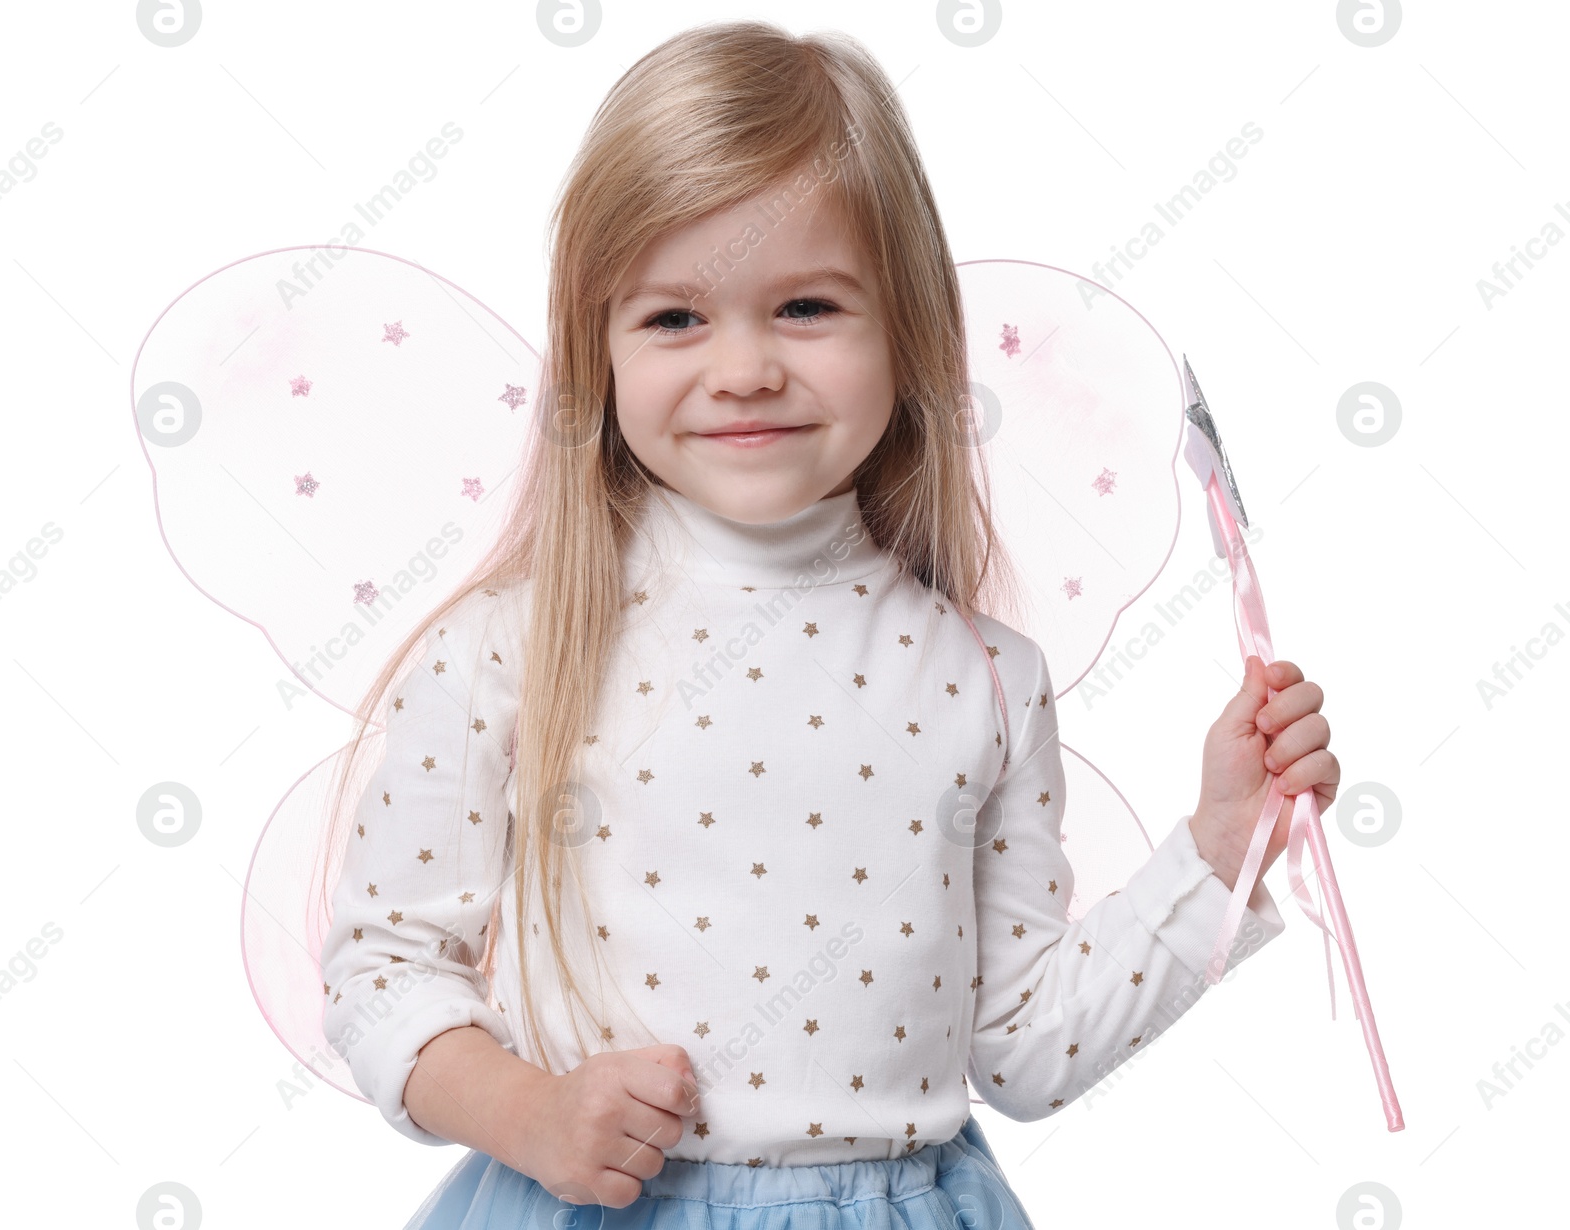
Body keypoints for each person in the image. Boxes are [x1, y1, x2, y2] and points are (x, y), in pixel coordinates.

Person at [318, 18, 1339, 1228]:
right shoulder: (508, 653)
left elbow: (1025, 1051)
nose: (743, 368)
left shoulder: (985, 680)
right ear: (596, 352)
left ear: (906, 334)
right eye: (673, 319)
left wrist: (1220, 851)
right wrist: (528, 1116)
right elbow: (383, 973)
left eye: (805, 306)